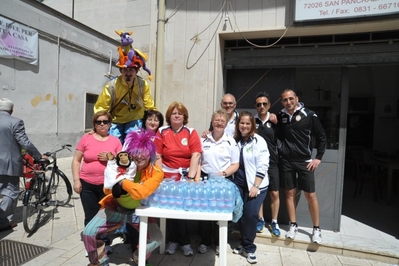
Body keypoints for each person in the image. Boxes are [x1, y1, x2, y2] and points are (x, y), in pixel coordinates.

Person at [83, 130, 164, 266]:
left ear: (149, 154)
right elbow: (107, 188)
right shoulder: (123, 165)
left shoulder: (156, 172)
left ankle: (140, 257)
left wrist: (121, 181)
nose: (138, 157)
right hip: (115, 207)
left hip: (139, 212)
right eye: (135, 153)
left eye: (143, 153)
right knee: (88, 233)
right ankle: (100, 262)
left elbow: (142, 192)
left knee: (157, 239)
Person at [276, 89, 327, 244]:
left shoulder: (309, 115)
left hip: (305, 161)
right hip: (287, 161)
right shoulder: (281, 116)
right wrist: (282, 150)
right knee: (289, 193)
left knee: (310, 195)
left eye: (291, 99)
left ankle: (316, 229)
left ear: (297, 98)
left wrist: (318, 158)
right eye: (285, 100)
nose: (288, 102)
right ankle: (293, 225)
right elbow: (278, 136)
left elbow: (322, 137)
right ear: (282, 101)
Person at [154, 101, 202, 256]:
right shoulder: (162, 131)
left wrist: (190, 177)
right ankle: (173, 242)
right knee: (170, 210)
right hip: (167, 178)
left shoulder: (191, 132)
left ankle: (185, 243)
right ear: (169, 116)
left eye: (180, 113)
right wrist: (159, 176)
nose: (176, 115)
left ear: (184, 116)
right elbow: (157, 155)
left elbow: (196, 154)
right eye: (174, 113)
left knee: (183, 210)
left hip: (185, 178)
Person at [71, 110, 122, 253]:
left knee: (106, 215)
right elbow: (76, 160)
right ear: (94, 123)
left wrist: (111, 157)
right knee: (91, 216)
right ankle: (92, 245)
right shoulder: (86, 138)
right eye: (99, 122)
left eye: (105, 121)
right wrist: (76, 180)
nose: (102, 124)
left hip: (107, 186)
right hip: (87, 184)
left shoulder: (115, 141)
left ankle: (105, 242)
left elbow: (123, 163)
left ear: (110, 124)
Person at [197, 109, 240, 255]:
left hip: (222, 181)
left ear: (226, 124)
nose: (219, 123)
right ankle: (205, 241)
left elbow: (235, 164)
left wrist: (223, 173)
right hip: (205, 179)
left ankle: (219, 242)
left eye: (222, 121)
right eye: (217, 120)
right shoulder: (203, 139)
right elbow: (198, 160)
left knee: (220, 213)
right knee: (204, 212)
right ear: (212, 122)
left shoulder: (230, 141)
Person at [94, 49, 156, 143]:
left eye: (131, 70)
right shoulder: (111, 86)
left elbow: (149, 106)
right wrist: (98, 125)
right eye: (125, 70)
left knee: (134, 144)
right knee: (113, 145)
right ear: (121, 71)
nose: (128, 73)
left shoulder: (142, 84)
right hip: (116, 120)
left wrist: (155, 122)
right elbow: (101, 108)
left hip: (135, 119)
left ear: (136, 71)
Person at [232, 111, 269, 264]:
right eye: (242, 123)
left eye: (248, 123)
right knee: (240, 215)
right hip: (240, 184)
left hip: (256, 185)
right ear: (238, 125)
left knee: (251, 215)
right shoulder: (236, 141)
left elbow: (263, 164)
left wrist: (256, 185)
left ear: (252, 125)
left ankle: (250, 249)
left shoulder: (258, 141)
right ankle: (243, 242)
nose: (244, 126)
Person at [0, 98, 43, 232]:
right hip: (8, 164)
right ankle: (2, 222)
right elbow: (25, 143)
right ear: (11, 110)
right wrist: (38, 157)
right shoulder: (15, 122)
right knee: (11, 192)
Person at [254, 92, 281, 237]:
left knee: (274, 192)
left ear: (269, 105)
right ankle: (260, 220)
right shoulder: (252, 122)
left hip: (272, 163)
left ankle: (274, 221)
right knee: (259, 192)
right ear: (255, 106)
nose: (262, 106)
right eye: (259, 104)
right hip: (257, 164)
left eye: (264, 104)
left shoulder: (275, 121)